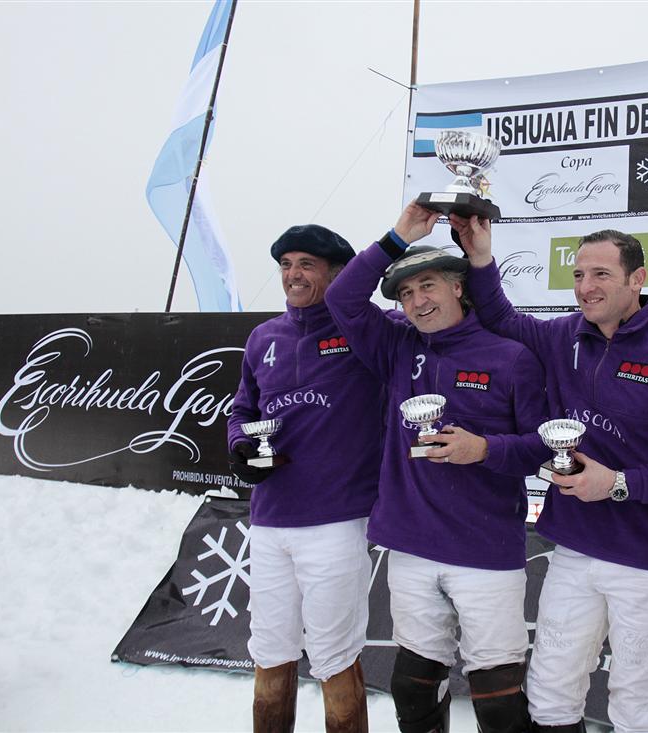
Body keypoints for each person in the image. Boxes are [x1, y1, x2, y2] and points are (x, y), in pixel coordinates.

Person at [451, 214, 648, 732]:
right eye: (578, 275)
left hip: (647, 560)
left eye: (601, 274)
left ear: (637, 279)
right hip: (574, 548)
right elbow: (500, 317)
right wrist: (480, 256)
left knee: (636, 703)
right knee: (549, 692)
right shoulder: (564, 335)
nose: (586, 287)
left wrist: (616, 484)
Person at [324, 202, 551, 733]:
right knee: (413, 687)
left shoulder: (511, 355)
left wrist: (484, 449)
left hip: (485, 551)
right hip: (411, 545)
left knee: (498, 699)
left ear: (457, 287)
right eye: (405, 293)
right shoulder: (397, 344)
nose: (417, 301)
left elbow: (540, 448)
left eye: (427, 285)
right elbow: (341, 297)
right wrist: (400, 235)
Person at [227, 224, 384, 733]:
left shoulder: (366, 330)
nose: (292, 275)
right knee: (270, 650)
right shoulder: (263, 337)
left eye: (306, 265)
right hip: (270, 520)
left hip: (336, 521)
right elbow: (242, 410)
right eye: (286, 264)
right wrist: (241, 447)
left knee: (334, 656)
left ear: (336, 273)